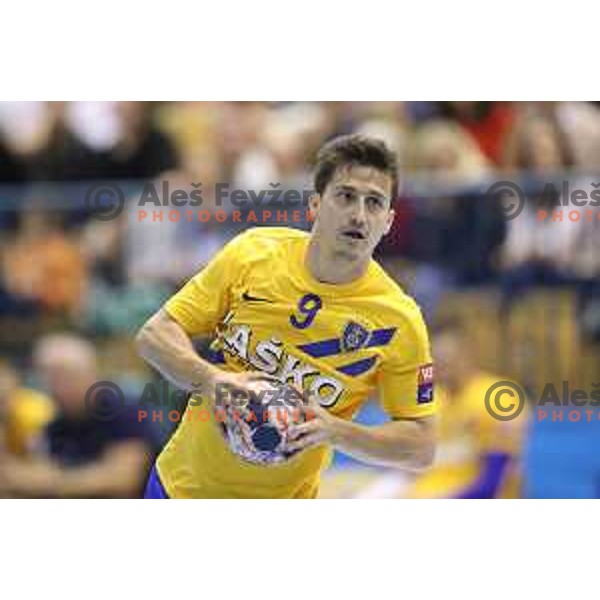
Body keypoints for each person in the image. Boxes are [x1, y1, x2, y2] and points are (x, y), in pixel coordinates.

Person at [136, 134, 437, 499]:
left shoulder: (398, 320)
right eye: (345, 196)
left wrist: (335, 430)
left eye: (374, 203)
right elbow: (153, 335)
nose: (359, 214)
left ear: (388, 221)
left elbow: (421, 446)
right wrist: (213, 381)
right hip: (181, 490)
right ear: (314, 205)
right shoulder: (254, 254)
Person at [0, 334, 151, 498]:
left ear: (91, 373)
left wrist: (52, 482)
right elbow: (36, 471)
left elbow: (123, 480)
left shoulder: (123, 409)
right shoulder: (54, 422)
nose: (58, 386)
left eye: (66, 375)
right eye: (49, 377)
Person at [407, 317, 527, 499]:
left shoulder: (500, 397)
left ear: (467, 354)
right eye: (436, 361)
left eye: (448, 360)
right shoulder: (430, 400)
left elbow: (492, 484)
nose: (442, 367)